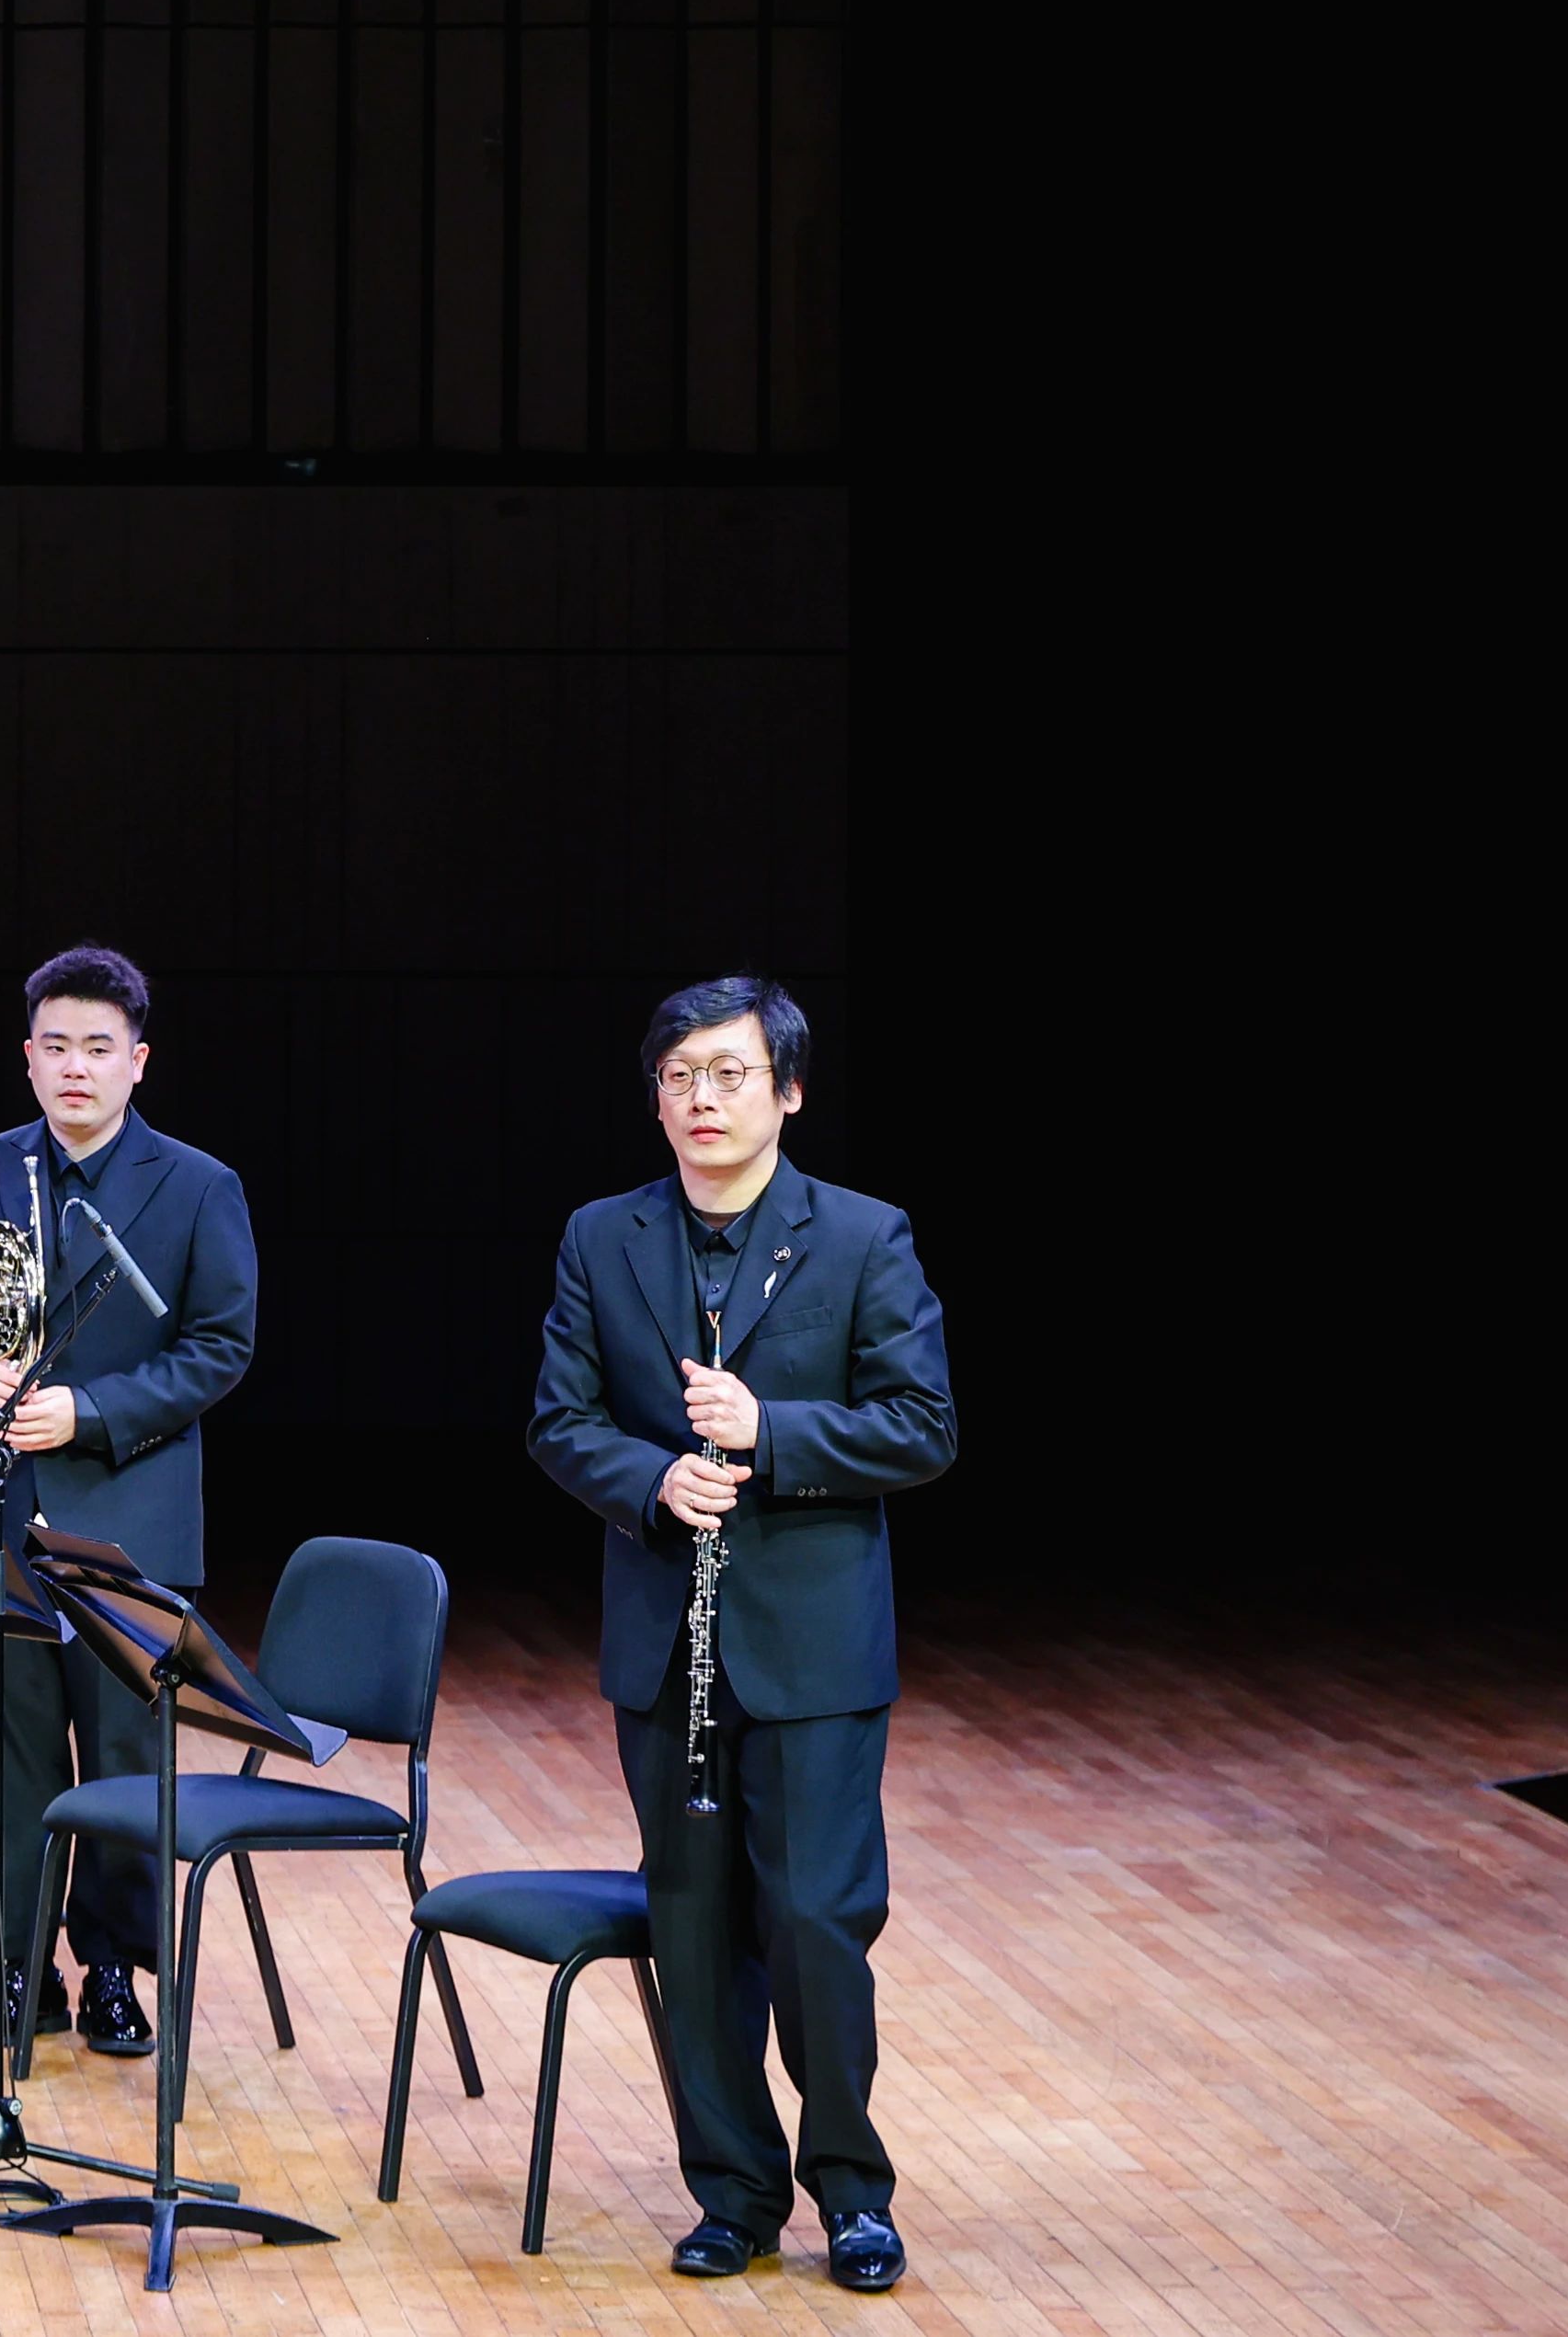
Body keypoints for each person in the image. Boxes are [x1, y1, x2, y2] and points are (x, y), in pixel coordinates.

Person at [527, 976, 953, 2296]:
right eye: (678, 1078)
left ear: (788, 1091)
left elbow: (920, 1426)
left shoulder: (862, 1236)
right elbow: (558, 1421)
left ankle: (854, 2195)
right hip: (667, 1643)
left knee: (817, 1921)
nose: (700, 1098)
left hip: (811, 1650)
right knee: (695, 1926)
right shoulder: (600, 1236)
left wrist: (773, 1434)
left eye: (727, 1074)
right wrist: (651, 1479)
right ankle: (733, 2194)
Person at [0, 944, 255, 2068]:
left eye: (99, 1049)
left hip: (134, 1517)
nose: (77, 1068)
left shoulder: (197, 1185)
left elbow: (221, 1347)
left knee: (124, 1752)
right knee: (9, 1753)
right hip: (4, 1513)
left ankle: (116, 1968)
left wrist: (90, 1411)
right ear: (28, 1059)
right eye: (58, 1048)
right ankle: (20, 1971)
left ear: (138, 1062)